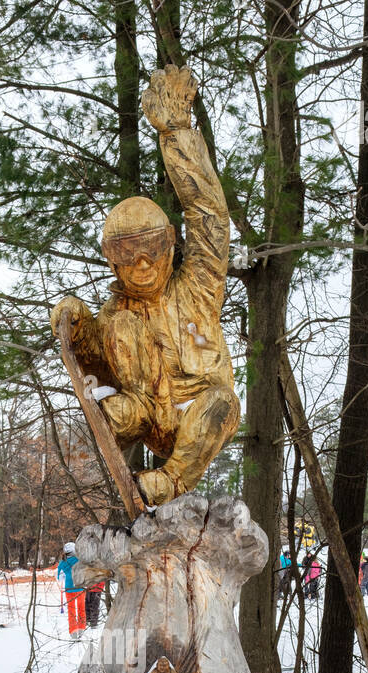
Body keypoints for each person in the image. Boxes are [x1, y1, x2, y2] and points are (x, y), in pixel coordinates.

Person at [50, 66, 240, 506]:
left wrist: (176, 132)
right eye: (125, 253)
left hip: (198, 412)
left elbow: (209, 218)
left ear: (170, 246)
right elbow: (95, 361)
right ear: (110, 258)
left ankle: (170, 480)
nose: (140, 265)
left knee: (222, 403)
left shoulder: (197, 286)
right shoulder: (117, 315)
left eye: (151, 249)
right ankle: (122, 420)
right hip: (146, 412)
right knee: (115, 334)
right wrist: (75, 324)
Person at [57, 542, 86, 639]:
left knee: (71, 610)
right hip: (80, 587)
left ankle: (73, 631)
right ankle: (82, 628)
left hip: (69, 588)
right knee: (81, 607)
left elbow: (60, 578)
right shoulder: (80, 560)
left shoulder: (62, 563)